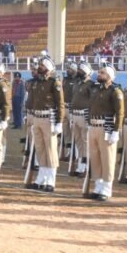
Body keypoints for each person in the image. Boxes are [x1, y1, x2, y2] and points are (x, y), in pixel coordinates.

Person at [25, 56, 63, 192]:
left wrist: (59, 122)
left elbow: (60, 104)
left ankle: (51, 181)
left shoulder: (54, 83)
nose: (39, 68)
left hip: (49, 119)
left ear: (49, 68)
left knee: (50, 150)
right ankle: (41, 179)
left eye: (42, 65)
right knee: (40, 149)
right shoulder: (36, 83)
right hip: (37, 117)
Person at [86, 65, 124, 201]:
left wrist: (116, 131)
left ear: (109, 76)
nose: (99, 74)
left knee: (107, 159)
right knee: (95, 158)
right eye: (99, 72)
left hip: (106, 128)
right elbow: (90, 107)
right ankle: (98, 185)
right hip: (94, 126)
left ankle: (107, 188)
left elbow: (120, 113)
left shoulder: (115, 91)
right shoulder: (95, 89)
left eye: (102, 73)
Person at [69, 63, 93, 177]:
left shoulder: (91, 85)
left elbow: (93, 103)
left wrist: (89, 119)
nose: (78, 71)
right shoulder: (76, 83)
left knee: (86, 142)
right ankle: (80, 166)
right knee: (78, 143)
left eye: (81, 70)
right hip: (75, 115)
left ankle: (87, 167)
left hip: (84, 115)